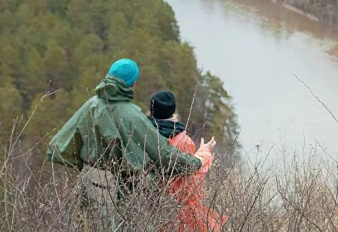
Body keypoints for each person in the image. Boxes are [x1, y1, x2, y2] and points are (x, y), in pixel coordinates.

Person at [46, 58, 205, 229]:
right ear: (133, 83)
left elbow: (60, 144)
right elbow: (164, 155)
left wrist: (84, 166)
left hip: (87, 183)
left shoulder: (91, 105)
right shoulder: (132, 115)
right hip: (117, 190)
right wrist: (197, 162)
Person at [148, 90, 228, 232]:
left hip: (149, 204)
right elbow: (191, 170)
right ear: (172, 111)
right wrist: (205, 151)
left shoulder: (144, 134)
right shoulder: (184, 141)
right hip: (177, 207)